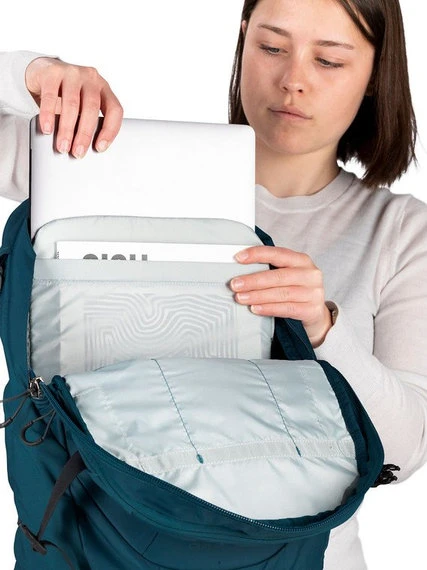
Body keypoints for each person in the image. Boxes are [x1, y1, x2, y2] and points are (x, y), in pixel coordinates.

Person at [1, 0, 427, 566]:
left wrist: (323, 330)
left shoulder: (400, 231)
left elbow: (402, 454)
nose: (293, 79)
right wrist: (32, 71)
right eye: (272, 47)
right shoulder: (107, 166)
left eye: (328, 61)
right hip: (98, 547)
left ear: (376, 74)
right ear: (243, 40)